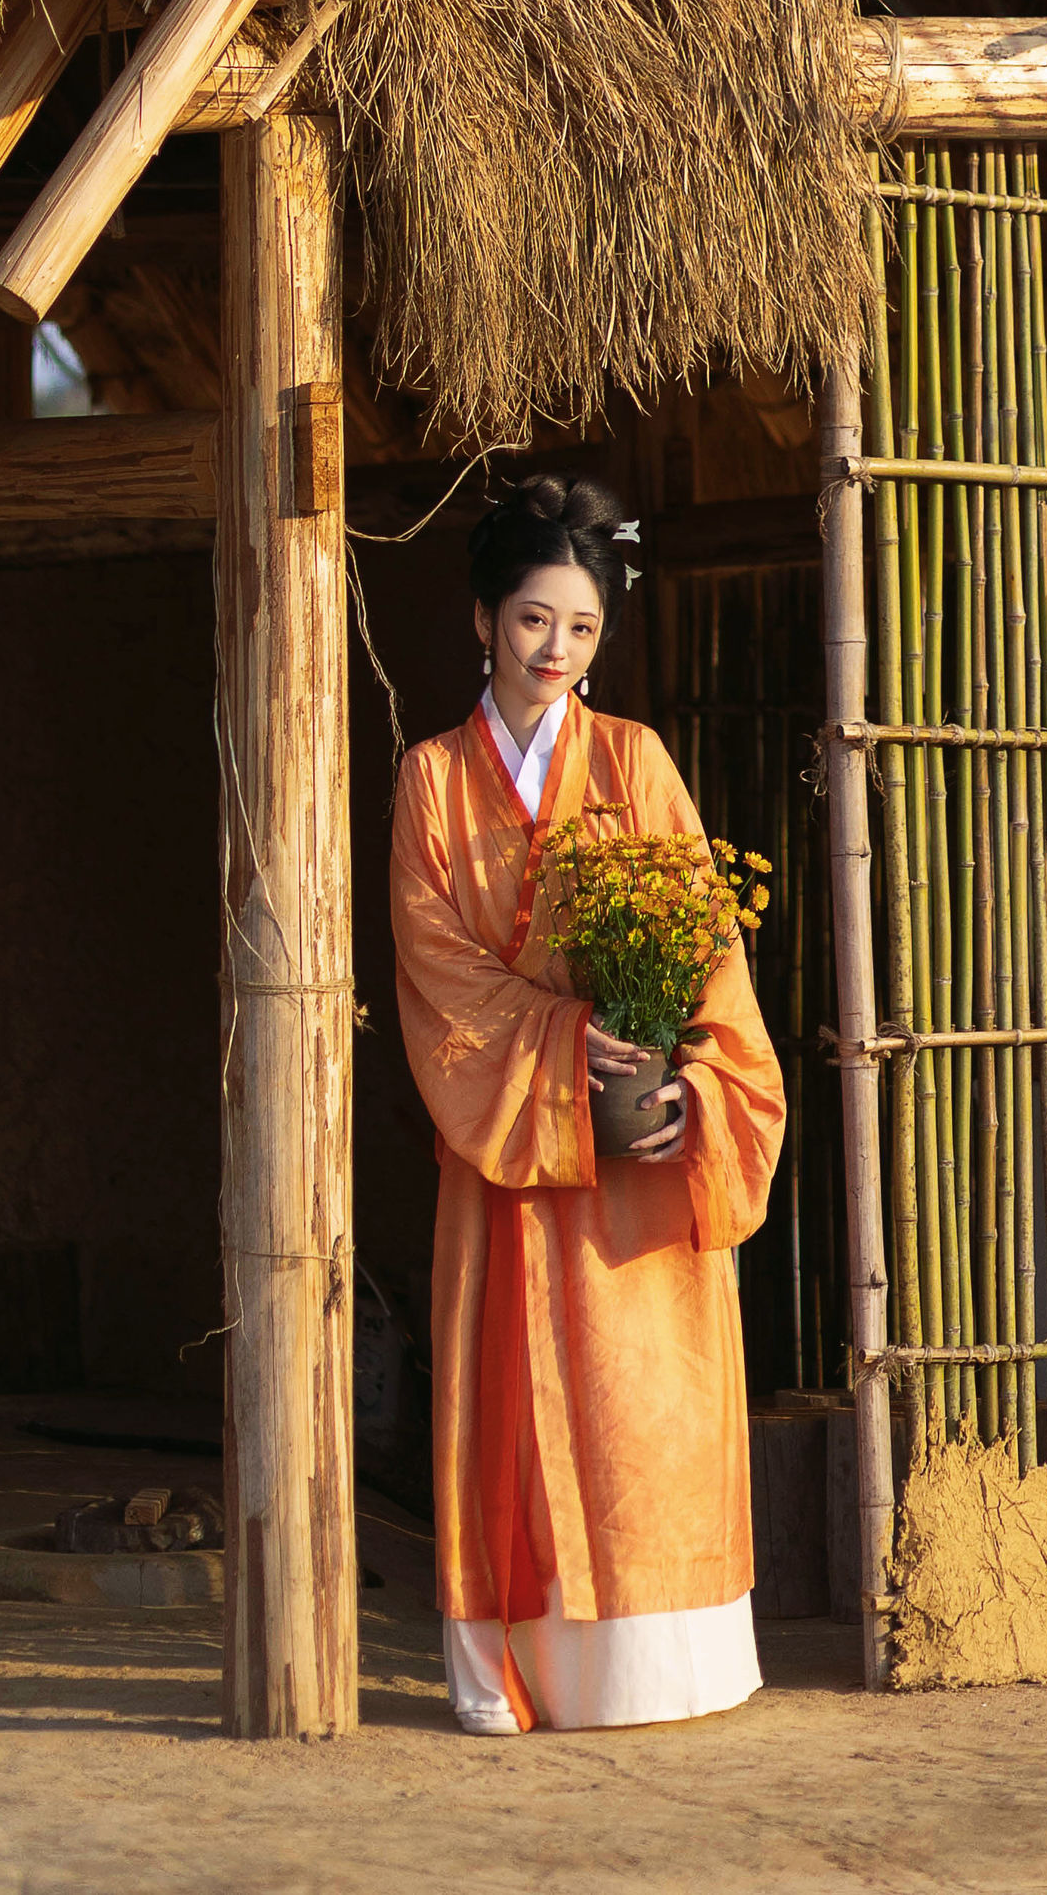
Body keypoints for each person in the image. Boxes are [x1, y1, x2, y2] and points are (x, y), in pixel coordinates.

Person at [388, 469, 787, 1736]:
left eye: (580, 629)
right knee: (507, 1413)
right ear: (480, 620)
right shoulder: (432, 781)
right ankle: (514, 1673)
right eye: (529, 621)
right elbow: (434, 966)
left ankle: (662, 1666)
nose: (553, 652)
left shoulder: (636, 761)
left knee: (638, 1409)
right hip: (507, 1155)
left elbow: (711, 949)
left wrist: (693, 1083)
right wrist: (568, 1047)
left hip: (635, 1160)